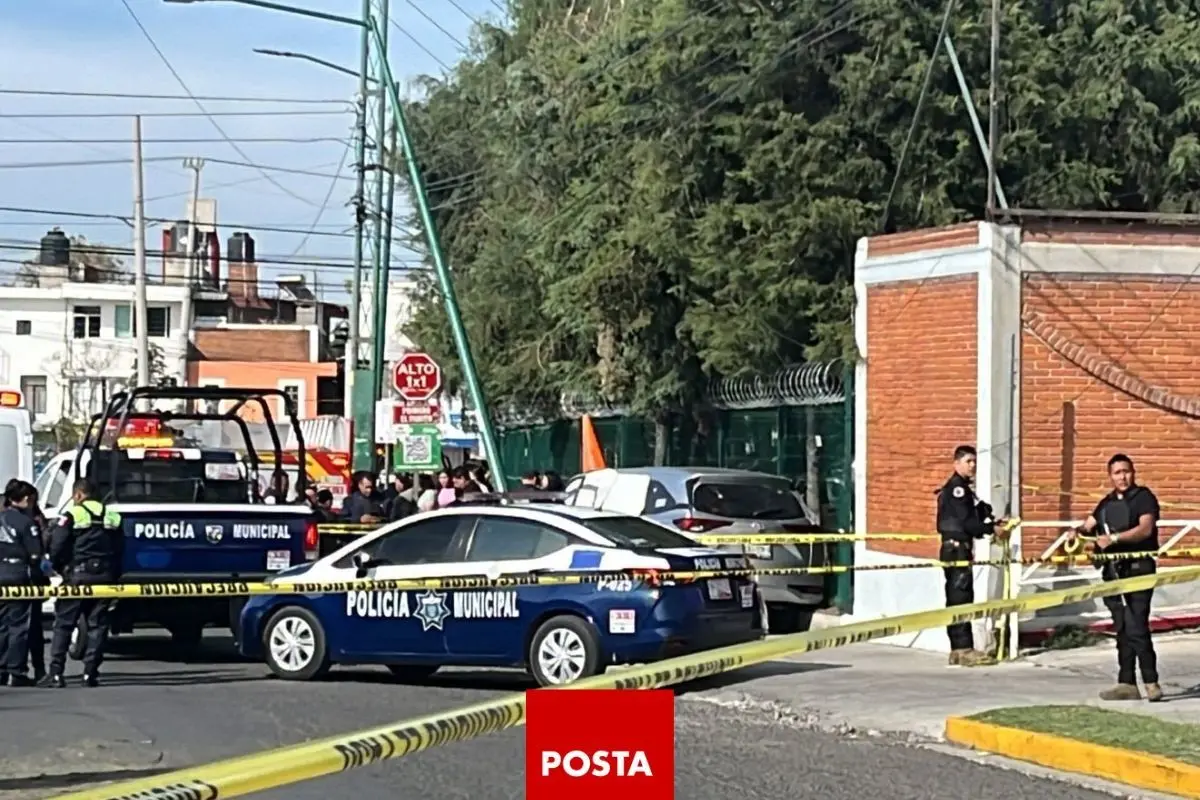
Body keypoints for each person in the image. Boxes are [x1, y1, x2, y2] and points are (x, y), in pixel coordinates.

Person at [1067, 454, 1162, 702]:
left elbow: (1145, 528)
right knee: (1121, 627)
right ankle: (1126, 682)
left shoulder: (1143, 498)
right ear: (1110, 476)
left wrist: (1116, 539)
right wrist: (1074, 533)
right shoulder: (1106, 504)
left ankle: (1151, 681)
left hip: (1138, 570)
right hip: (1113, 572)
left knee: (1136, 624)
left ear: (1133, 472)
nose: (1123, 477)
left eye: (1126, 471)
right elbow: (1088, 525)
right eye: (1117, 473)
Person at [44, 479, 123, 688]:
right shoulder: (112, 515)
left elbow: (58, 544)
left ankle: (56, 674)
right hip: (105, 576)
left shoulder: (72, 514)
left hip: (78, 575)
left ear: (78, 495)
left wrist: (57, 565)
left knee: (64, 624)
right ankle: (90, 673)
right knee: (98, 625)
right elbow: (120, 547)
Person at [936, 445, 1004, 667]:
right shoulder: (958, 490)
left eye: (974, 461)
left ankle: (958, 648)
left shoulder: (963, 490)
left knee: (958, 596)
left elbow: (975, 514)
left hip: (957, 548)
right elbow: (967, 523)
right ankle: (963, 648)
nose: (972, 465)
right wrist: (990, 529)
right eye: (968, 461)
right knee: (961, 597)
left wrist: (988, 518)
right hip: (957, 549)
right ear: (956, 463)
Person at [0, 481, 44, 686]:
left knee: (1, 625)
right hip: (18, 574)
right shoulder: (26, 523)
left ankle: (1, 669)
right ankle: (16, 671)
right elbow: (35, 554)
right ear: (26, 499)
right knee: (18, 625)